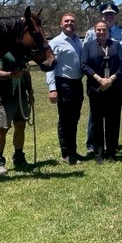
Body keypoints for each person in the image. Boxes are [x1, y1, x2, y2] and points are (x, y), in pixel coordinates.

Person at [83, 2, 122, 154]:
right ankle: (93, 145)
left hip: (116, 80)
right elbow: (86, 58)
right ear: (102, 16)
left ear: (115, 16)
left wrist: (112, 78)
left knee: (114, 113)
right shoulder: (91, 33)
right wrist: (99, 78)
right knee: (95, 114)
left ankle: (112, 144)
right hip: (96, 81)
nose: (108, 16)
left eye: (111, 14)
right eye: (106, 14)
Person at [80, 20, 122, 163]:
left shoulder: (116, 45)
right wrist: (99, 79)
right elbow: (83, 65)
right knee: (97, 121)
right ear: (94, 31)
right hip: (96, 88)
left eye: (104, 29)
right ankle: (99, 153)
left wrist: (110, 79)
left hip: (113, 88)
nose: (101, 32)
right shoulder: (88, 46)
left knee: (112, 120)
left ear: (108, 31)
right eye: (98, 30)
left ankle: (111, 152)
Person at [47, 13, 84, 165]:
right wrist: (52, 88)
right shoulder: (56, 42)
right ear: (61, 24)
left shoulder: (78, 41)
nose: (70, 23)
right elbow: (50, 67)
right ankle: (65, 153)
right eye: (66, 21)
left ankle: (73, 150)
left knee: (74, 118)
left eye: (72, 21)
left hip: (77, 83)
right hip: (63, 83)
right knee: (65, 120)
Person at [0, 51, 34, 175]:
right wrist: (11, 74)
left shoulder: (22, 53)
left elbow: (26, 74)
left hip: (21, 98)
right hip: (6, 99)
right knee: (3, 129)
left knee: (21, 127)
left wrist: (30, 91)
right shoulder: (3, 53)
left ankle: (19, 157)